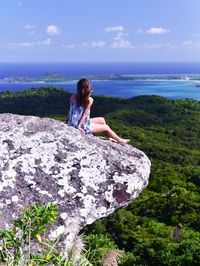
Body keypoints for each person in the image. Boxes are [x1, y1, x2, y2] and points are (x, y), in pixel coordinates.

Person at [67, 78, 130, 144]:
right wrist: (79, 126)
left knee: (102, 120)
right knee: (106, 127)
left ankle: (110, 137)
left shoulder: (73, 96)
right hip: (81, 124)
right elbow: (84, 114)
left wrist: (68, 120)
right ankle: (119, 140)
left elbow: (71, 110)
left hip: (72, 121)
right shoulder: (89, 100)